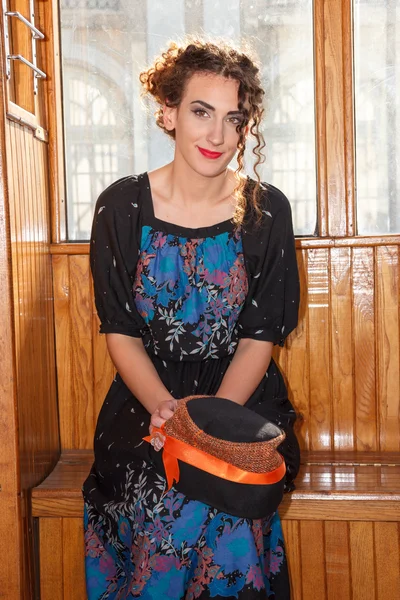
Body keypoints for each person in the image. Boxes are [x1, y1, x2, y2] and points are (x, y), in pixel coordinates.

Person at [82, 37, 300, 600]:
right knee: (161, 503)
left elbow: (260, 335)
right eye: (202, 112)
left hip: (238, 407)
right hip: (144, 407)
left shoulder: (266, 209)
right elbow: (121, 331)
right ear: (169, 111)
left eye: (234, 118)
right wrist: (166, 414)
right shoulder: (121, 205)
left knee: (224, 503)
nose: (219, 136)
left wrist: (208, 428)